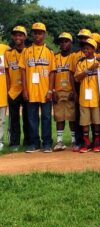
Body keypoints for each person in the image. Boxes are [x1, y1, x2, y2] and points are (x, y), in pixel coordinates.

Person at [19, 22, 56, 153]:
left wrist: (50, 90)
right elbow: (22, 71)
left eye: (40, 33)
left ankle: (47, 143)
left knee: (46, 118)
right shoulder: (26, 51)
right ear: (32, 34)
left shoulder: (49, 52)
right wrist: (24, 89)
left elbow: (52, 72)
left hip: (45, 91)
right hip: (31, 91)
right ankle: (34, 143)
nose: (37, 35)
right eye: (35, 32)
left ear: (44, 34)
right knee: (32, 118)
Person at [74, 38, 100, 153]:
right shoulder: (80, 62)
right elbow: (77, 78)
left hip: (96, 97)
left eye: (88, 47)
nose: (85, 49)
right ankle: (86, 142)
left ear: (93, 49)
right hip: (84, 97)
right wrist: (88, 70)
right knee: (85, 121)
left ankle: (97, 142)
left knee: (97, 121)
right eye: (84, 47)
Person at [5, 26, 30, 152]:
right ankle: (14, 142)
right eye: (15, 35)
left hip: (26, 90)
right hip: (14, 91)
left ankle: (27, 142)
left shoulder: (29, 51)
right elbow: (7, 72)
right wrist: (8, 90)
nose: (18, 37)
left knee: (27, 118)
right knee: (13, 119)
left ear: (25, 37)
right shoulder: (8, 53)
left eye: (20, 35)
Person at [52, 32, 76, 151]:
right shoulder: (55, 57)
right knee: (59, 117)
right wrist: (53, 91)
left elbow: (76, 75)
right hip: (58, 91)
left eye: (66, 41)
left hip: (70, 91)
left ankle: (73, 140)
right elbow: (51, 74)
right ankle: (60, 141)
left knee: (72, 117)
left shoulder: (75, 56)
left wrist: (75, 91)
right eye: (61, 41)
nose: (63, 43)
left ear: (71, 43)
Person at [71, 28, 92, 152]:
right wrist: (74, 91)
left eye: (85, 38)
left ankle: (97, 141)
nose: (83, 40)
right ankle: (80, 141)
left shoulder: (98, 55)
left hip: (93, 89)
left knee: (96, 117)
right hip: (80, 87)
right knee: (80, 116)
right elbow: (72, 75)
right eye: (80, 38)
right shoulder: (75, 55)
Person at [0, 42, 10, 152]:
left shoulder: (5, 49)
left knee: (1, 120)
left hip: (1, 91)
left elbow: (8, 70)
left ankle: (0, 141)